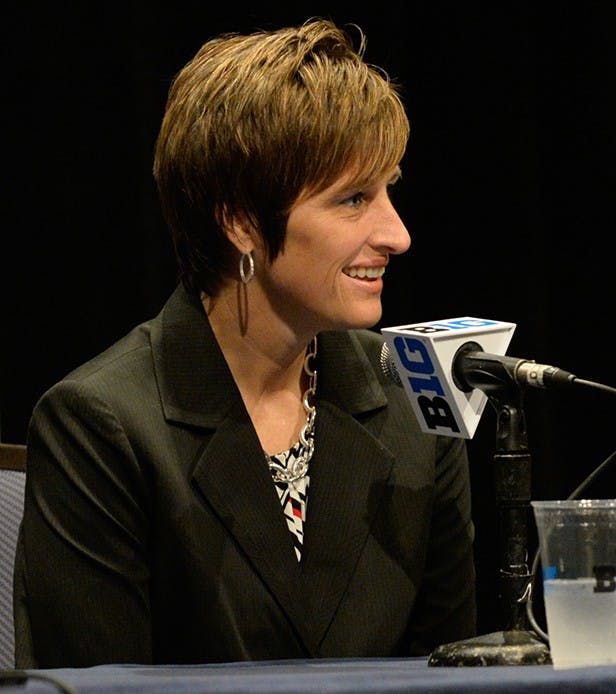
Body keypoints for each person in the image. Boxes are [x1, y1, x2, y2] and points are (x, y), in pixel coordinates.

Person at [13, 18, 477, 668]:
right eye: (352, 200)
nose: (396, 234)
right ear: (238, 221)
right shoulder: (101, 425)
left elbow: (456, 674)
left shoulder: (413, 396)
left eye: (387, 191)